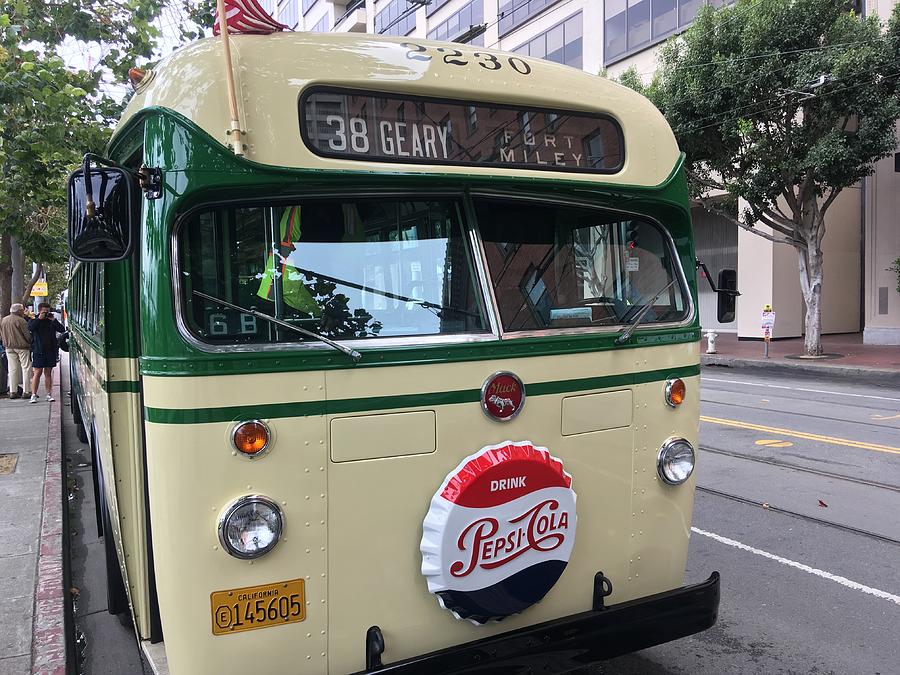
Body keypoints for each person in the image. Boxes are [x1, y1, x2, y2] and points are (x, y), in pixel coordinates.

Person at [28, 302, 64, 403]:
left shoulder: (51, 320)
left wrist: (54, 320)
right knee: (37, 373)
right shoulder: (34, 320)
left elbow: (62, 329)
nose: (46, 313)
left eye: (48, 311)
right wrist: (39, 318)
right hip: (38, 351)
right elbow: (30, 328)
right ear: (39, 311)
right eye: (44, 311)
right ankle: (34, 394)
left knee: (48, 373)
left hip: (50, 350)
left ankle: (49, 394)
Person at [0, 303, 33, 399]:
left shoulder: (4, 320)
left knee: (12, 369)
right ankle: (26, 391)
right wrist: (30, 342)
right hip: (22, 347)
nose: (23, 311)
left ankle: (13, 391)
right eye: (22, 310)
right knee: (26, 368)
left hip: (9, 347)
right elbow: (27, 335)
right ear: (19, 311)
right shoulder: (21, 321)